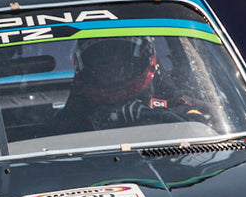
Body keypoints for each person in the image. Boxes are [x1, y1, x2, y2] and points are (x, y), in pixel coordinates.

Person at [58, 36, 205, 132]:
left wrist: (156, 116)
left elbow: (205, 126)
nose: (113, 77)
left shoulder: (173, 101)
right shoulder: (73, 119)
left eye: (121, 68)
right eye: (104, 70)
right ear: (89, 72)